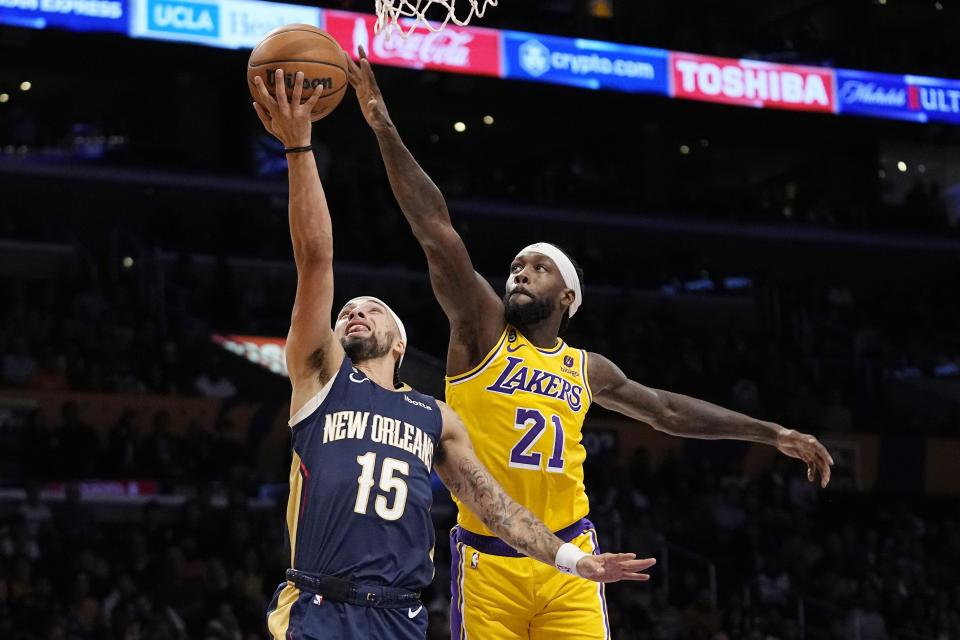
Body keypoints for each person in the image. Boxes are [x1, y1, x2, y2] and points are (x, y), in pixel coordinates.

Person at [347, 48, 835, 640]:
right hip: (488, 561)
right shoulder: (480, 334)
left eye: (537, 268)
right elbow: (436, 230)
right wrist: (383, 126)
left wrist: (773, 433)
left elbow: (669, 412)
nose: (519, 273)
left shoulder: (587, 368)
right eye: (516, 267)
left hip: (573, 559)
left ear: (568, 298)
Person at [250, 69, 655, 640]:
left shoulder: (435, 417)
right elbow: (316, 259)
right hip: (320, 605)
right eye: (346, 313)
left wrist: (571, 560)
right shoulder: (319, 379)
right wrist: (299, 148)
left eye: (373, 308)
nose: (353, 313)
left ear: (401, 341)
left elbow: (497, 508)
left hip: (401, 616)